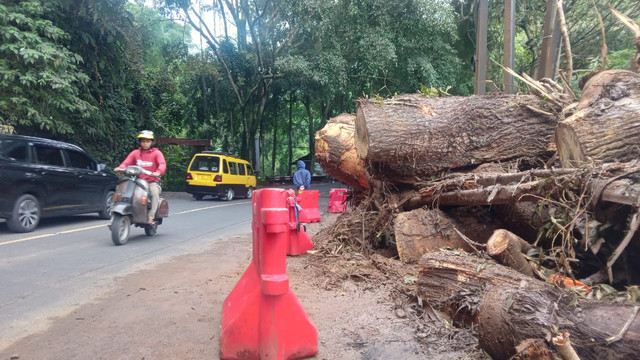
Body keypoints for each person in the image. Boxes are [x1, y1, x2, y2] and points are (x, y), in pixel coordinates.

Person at [114, 130, 166, 224]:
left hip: (152, 181)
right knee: (122, 190)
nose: (145, 143)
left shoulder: (157, 153)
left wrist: (158, 172)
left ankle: (151, 216)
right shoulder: (135, 153)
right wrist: (120, 168)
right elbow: (126, 162)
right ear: (140, 142)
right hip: (137, 181)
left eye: (147, 141)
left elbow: (162, 164)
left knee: (154, 194)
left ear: (152, 142)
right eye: (143, 141)